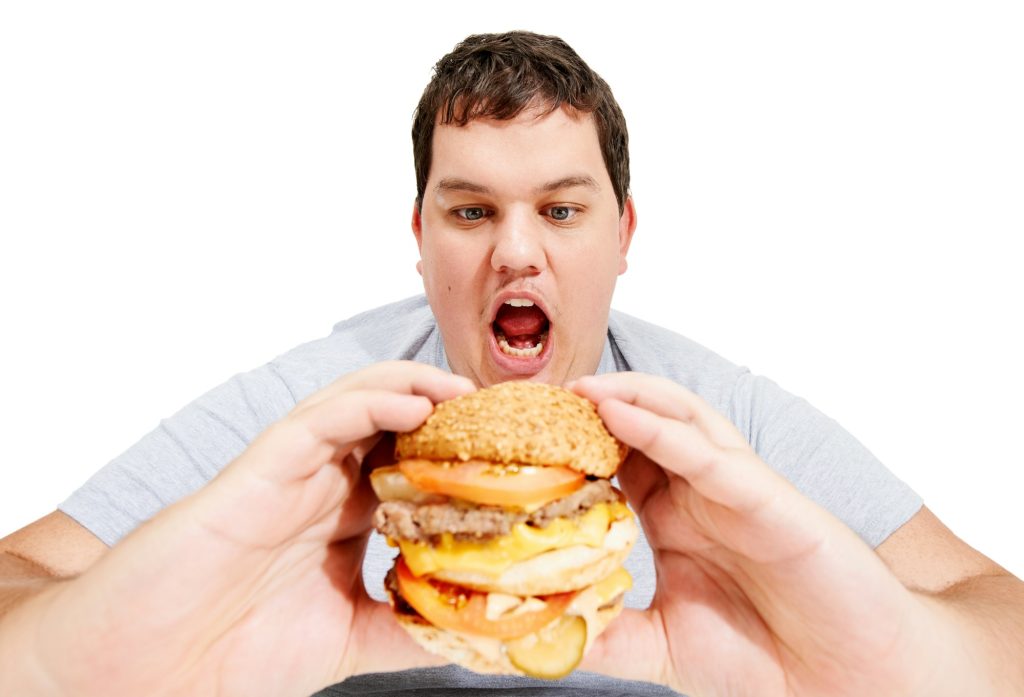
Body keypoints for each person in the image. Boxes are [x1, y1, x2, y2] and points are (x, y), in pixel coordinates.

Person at [1, 30, 1021, 697]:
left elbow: (998, 615)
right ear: (418, 232)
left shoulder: (719, 430)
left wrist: (888, 651)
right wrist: (70, 655)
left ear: (624, 234)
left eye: (562, 209)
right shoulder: (310, 424)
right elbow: (20, 577)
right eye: (472, 210)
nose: (518, 251)